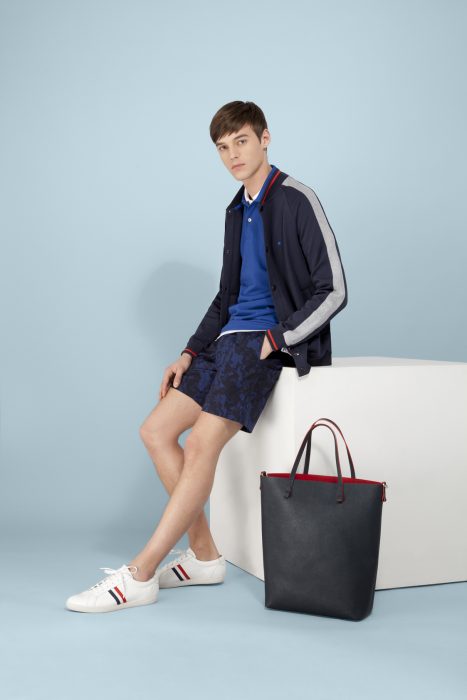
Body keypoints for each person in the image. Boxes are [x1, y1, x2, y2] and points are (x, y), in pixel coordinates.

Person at [65, 100, 348, 613]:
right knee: (154, 431)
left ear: (264, 138)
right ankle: (204, 555)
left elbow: (335, 290)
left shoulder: (296, 198)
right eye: (222, 147)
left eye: (241, 141)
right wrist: (189, 351)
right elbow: (226, 296)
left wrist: (278, 339)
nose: (232, 154)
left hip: (262, 345)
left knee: (199, 444)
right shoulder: (235, 210)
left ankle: (140, 573)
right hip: (224, 344)